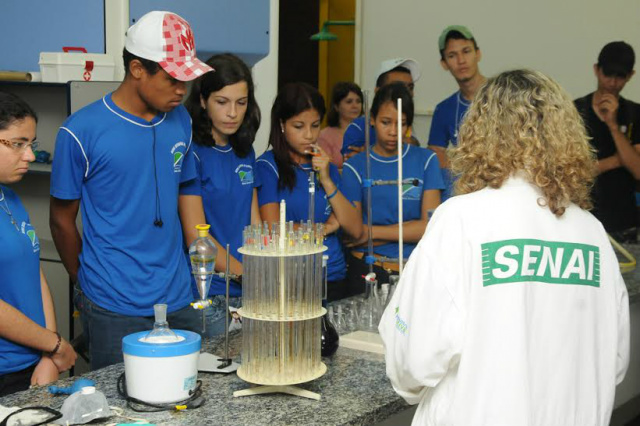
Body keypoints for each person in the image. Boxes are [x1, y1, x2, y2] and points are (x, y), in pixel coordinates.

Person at [380, 70, 630, 426]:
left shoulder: (462, 220)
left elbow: (413, 361)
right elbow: (614, 360)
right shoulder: (591, 234)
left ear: (481, 132)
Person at [49, 11, 213, 369]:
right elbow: (61, 221)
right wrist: (87, 282)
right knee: (121, 410)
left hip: (180, 295)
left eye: (186, 79)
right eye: (172, 78)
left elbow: (185, 187)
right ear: (138, 69)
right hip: (112, 303)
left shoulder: (181, 119)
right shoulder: (81, 132)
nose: (182, 90)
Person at [0, 92, 77, 397]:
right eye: (18, 144)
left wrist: (48, 353)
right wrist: (56, 346)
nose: (30, 156)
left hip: (33, 363)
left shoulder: (10, 198)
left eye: (31, 145)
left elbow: (35, 272)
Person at [256, 83, 362, 301]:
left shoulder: (327, 166)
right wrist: (325, 228)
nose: (309, 135)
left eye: (315, 126)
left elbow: (353, 227)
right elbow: (273, 228)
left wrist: (326, 178)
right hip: (292, 279)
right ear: (282, 124)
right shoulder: (267, 167)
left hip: (333, 274)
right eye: (298, 126)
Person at [180, 53, 261, 337]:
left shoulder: (245, 151)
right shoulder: (192, 153)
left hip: (249, 287)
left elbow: (254, 224)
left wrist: (267, 266)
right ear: (203, 101)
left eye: (241, 103)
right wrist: (248, 274)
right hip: (210, 292)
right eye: (222, 102)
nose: (232, 113)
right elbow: (196, 239)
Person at [341, 82, 444, 294]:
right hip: (367, 270)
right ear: (372, 119)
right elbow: (352, 232)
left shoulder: (426, 161)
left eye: (402, 124)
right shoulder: (355, 166)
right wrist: (406, 229)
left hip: (413, 271)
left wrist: (370, 232)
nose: (393, 132)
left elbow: (429, 228)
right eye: (385, 122)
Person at [575, 41, 640, 243]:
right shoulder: (574, 111)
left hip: (625, 225)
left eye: (620, 76)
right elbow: (573, 170)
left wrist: (613, 125)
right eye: (607, 74)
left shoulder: (635, 114)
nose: (612, 82)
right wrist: (617, 160)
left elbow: (638, 170)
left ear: (630, 75)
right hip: (583, 221)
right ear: (597, 70)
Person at [428, 25, 486, 201]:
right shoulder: (444, 109)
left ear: (478, 54)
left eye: (466, 51)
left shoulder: (504, 96)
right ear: (444, 64)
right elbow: (436, 154)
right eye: (452, 55)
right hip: (464, 188)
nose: (461, 60)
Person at [342, 58, 421, 159]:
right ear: (378, 91)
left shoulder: (409, 126)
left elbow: (414, 158)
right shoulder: (359, 128)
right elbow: (353, 162)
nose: (406, 93)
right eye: (397, 87)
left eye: (410, 87)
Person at [317, 82, 363, 168]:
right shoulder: (324, 136)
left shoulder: (368, 132)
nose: (355, 106)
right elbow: (325, 168)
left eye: (358, 101)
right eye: (349, 102)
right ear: (336, 106)